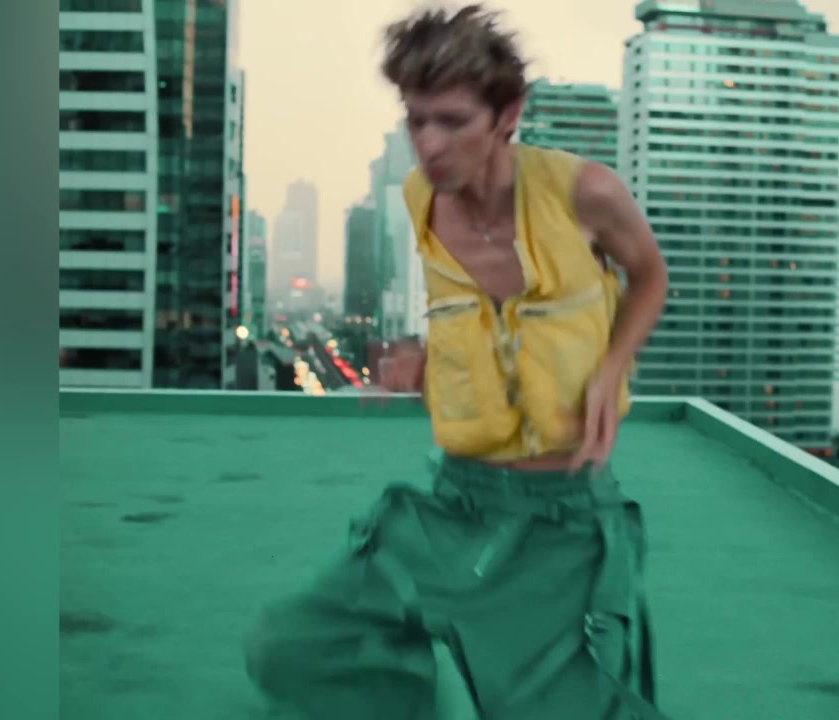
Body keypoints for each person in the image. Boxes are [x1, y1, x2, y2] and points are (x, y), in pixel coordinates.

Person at [243, 5, 671, 719]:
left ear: (509, 115)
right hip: (451, 506)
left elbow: (650, 276)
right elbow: (473, 320)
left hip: (564, 519)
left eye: (452, 121)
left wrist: (610, 367)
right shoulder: (421, 201)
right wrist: (422, 359)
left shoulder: (584, 192)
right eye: (416, 121)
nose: (429, 144)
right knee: (285, 647)